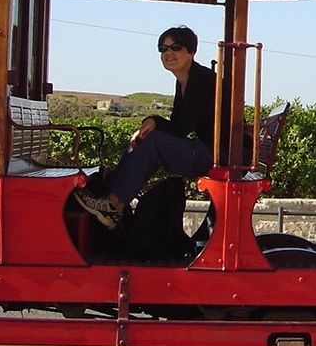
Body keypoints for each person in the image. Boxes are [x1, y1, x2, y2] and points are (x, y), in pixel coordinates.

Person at [75, 26, 215, 229]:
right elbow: (177, 123)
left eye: (175, 47)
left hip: (224, 156)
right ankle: (110, 196)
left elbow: (180, 128)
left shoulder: (201, 79)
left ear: (191, 51)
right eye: (163, 48)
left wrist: (154, 121)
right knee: (143, 140)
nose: (168, 53)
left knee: (154, 141)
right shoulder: (184, 80)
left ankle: (113, 204)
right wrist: (151, 124)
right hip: (212, 150)